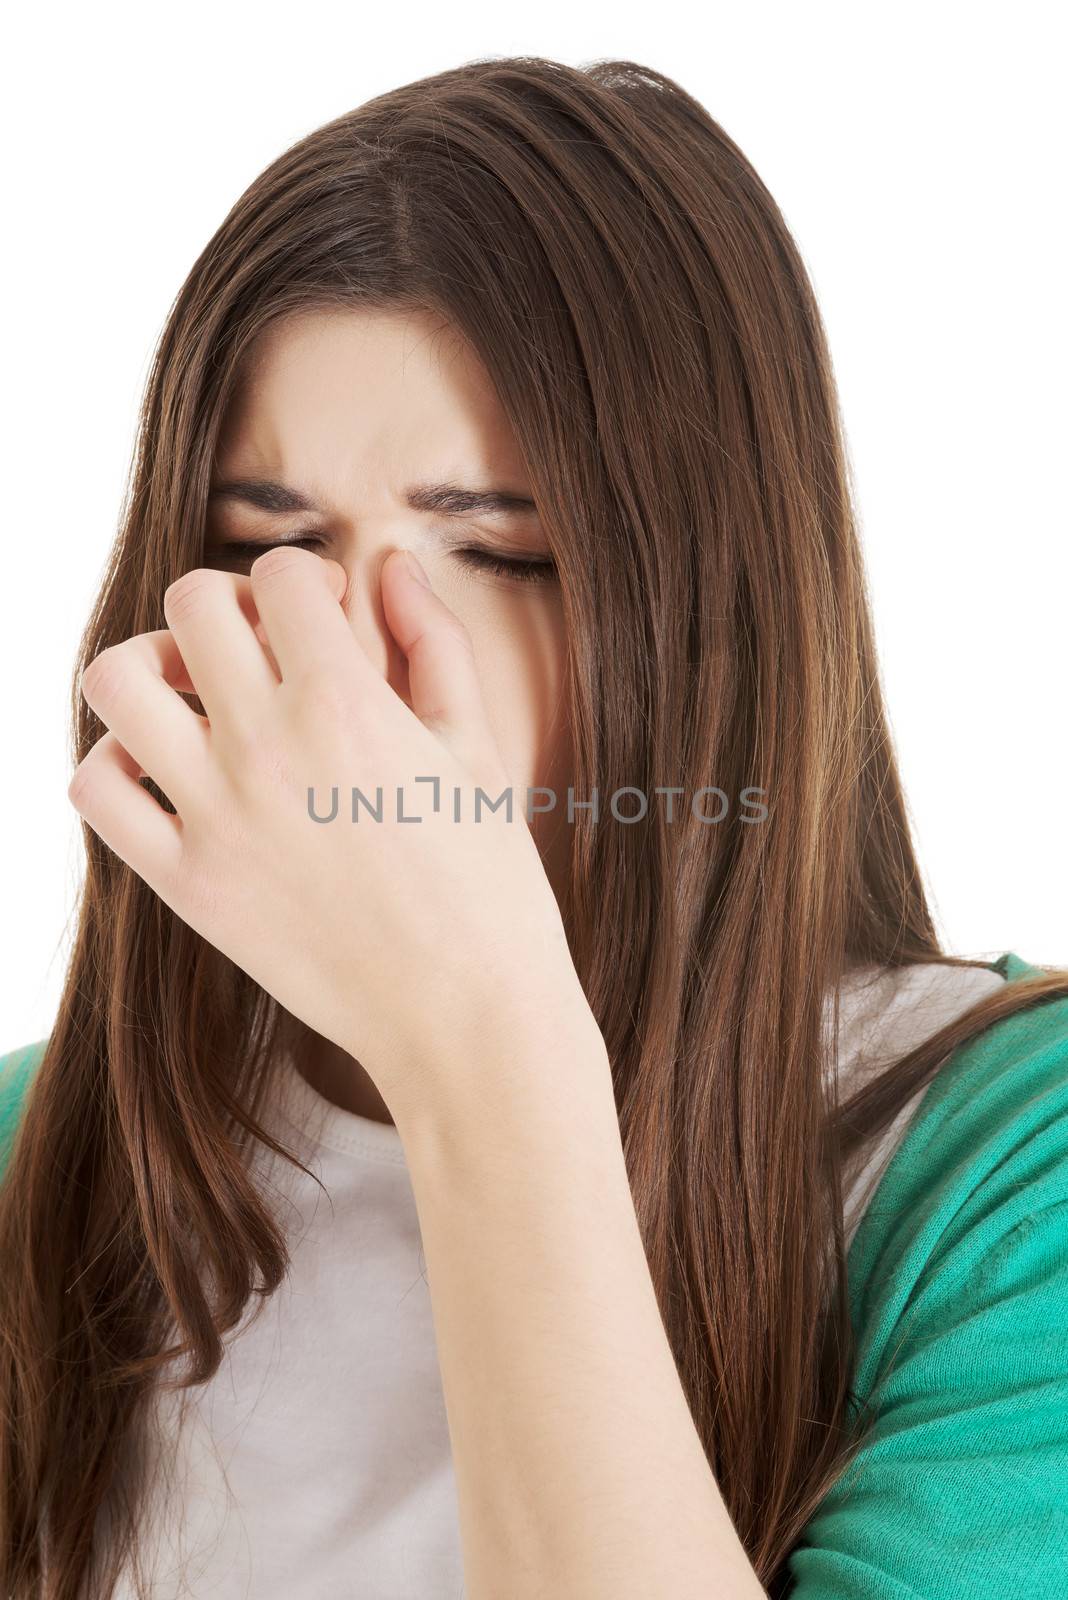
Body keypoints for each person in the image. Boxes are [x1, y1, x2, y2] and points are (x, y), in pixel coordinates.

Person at [1, 55, 1066, 1600]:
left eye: (499, 553)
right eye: (268, 545)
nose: (352, 652)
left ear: (715, 611)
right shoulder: (51, 1149)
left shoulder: (1006, 1171)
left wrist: (479, 1043)